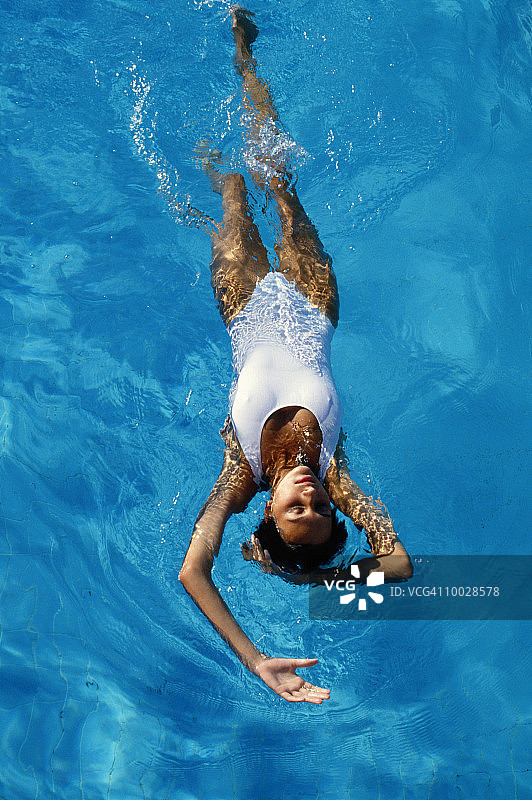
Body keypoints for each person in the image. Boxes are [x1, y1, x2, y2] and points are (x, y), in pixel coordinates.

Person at [179, 7, 412, 704]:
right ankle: (244, 55)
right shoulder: (338, 476)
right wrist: (321, 582)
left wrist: (254, 659)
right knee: (279, 181)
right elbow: (398, 565)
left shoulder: (239, 473)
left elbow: (193, 572)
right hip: (314, 302)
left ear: (270, 509)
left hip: (244, 307)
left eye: (294, 510)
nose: (309, 495)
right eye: (318, 509)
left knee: (230, 195)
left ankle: (209, 136)